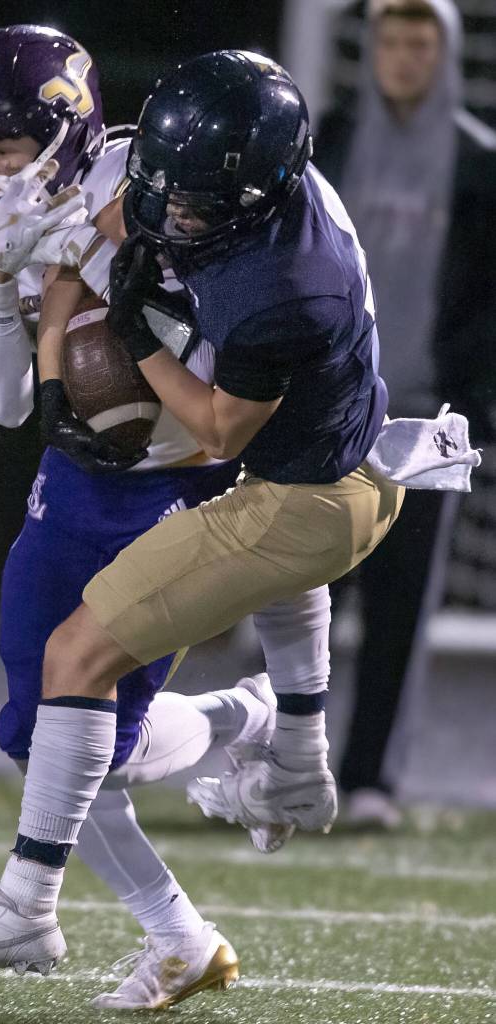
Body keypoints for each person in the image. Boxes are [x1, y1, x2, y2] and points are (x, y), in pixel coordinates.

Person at [0, 48, 404, 1002]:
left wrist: (92, 285)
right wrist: (0, 289)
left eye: (5, 146)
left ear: (66, 128)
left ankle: (97, 906)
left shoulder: (160, 183)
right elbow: (9, 406)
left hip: (190, 470)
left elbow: (240, 409)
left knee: (80, 699)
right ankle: (239, 762)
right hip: (76, 476)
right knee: (35, 728)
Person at [313, 0, 496, 827]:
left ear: (444, 52)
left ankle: (371, 783)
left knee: (399, 607)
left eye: (418, 42)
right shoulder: (332, 141)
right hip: (326, 410)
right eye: (390, 40)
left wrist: (475, 403)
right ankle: (288, 768)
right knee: (304, 597)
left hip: (429, 416)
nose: (402, 57)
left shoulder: (476, 162)